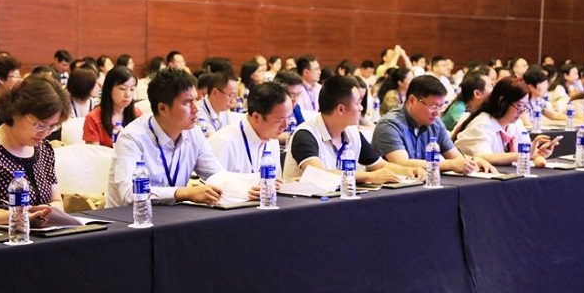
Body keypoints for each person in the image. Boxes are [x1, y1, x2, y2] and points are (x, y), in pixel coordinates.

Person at [0, 74, 70, 226]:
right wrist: (20, 216)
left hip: (36, 232)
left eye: (52, 126)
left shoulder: (44, 149)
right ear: (16, 112)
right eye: (39, 125)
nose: (45, 133)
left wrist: (46, 211)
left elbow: (56, 201)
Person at [107, 68, 224, 207]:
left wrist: (245, 187)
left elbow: (218, 177)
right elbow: (130, 194)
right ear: (163, 109)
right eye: (187, 103)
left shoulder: (194, 133)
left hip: (173, 216)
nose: (195, 109)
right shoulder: (132, 137)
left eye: (195, 100)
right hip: (129, 217)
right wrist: (184, 193)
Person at [283, 75, 424, 183]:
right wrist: (369, 176)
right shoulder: (305, 134)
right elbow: (318, 174)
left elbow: (380, 166)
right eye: (358, 103)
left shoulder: (352, 133)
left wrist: (410, 171)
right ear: (341, 109)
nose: (361, 108)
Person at [372, 75, 493, 175]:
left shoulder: (435, 123)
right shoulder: (389, 125)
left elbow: (455, 157)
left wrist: (472, 162)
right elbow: (401, 163)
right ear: (412, 100)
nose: (437, 113)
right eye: (433, 107)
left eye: (441, 107)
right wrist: (449, 164)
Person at [455, 78, 558, 166]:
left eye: (525, 107)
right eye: (519, 106)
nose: (521, 111)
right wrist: (525, 154)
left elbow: (525, 152)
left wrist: (539, 154)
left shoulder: (516, 124)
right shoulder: (482, 124)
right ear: (502, 101)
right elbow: (484, 157)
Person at [208, 82, 291, 180]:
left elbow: (274, 183)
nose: (286, 125)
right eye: (279, 120)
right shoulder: (223, 143)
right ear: (256, 117)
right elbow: (211, 185)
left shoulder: (272, 141)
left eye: (288, 117)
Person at [83, 66, 142, 148]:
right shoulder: (93, 118)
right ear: (109, 89)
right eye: (122, 88)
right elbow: (94, 153)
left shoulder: (137, 114)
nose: (128, 94)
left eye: (132, 89)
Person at [195, 72, 239, 136]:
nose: (234, 101)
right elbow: (211, 138)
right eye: (231, 95)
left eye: (235, 96)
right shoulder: (197, 111)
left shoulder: (224, 109)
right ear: (214, 92)